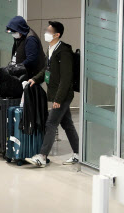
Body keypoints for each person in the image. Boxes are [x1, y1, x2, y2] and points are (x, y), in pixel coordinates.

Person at [26, 21, 80, 167]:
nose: (46, 33)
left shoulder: (64, 52)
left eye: (49, 31)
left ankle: (42, 157)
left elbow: (66, 78)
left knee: (51, 123)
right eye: (46, 30)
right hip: (57, 94)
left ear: (57, 35)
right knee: (67, 124)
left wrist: (58, 99)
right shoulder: (51, 49)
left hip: (62, 95)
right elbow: (46, 70)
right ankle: (79, 153)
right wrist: (35, 79)